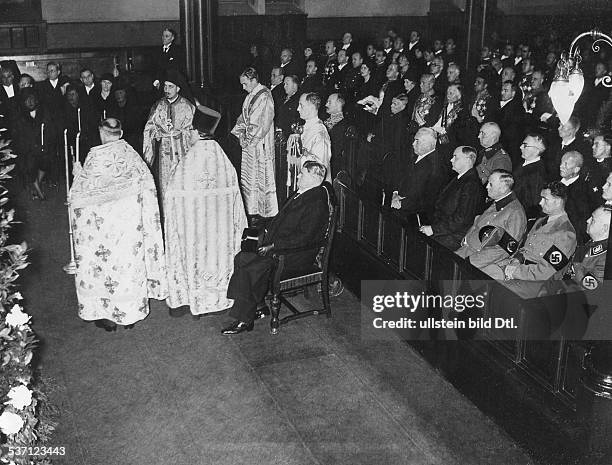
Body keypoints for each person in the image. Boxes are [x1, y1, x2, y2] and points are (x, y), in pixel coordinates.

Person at [69, 118, 167, 331]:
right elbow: (149, 188)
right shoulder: (132, 155)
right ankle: (130, 315)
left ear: (101, 132)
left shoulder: (94, 158)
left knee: (104, 271)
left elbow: (77, 198)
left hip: (101, 232)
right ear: (120, 134)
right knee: (127, 270)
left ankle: (107, 316)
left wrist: (78, 175)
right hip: (128, 231)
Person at [222, 161, 330, 335]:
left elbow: (304, 238)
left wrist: (273, 246)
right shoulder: (303, 193)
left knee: (250, 266)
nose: (298, 176)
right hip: (282, 246)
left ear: (313, 177)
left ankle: (244, 319)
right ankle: (258, 306)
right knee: (242, 258)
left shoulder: (316, 202)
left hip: (293, 255)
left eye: (302, 174)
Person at [164, 128, 248, 318]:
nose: (189, 135)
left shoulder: (188, 162)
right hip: (220, 231)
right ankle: (223, 299)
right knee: (219, 259)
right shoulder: (223, 161)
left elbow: (172, 196)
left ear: (199, 133)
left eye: (191, 131)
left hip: (195, 229)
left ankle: (192, 301)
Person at [481, 181, 577, 281]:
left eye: (545, 199)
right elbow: (525, 249)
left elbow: (545, 273)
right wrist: (517, 260)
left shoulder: (566, 234)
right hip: (519, 269)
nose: (540, 203)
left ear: (558, 202)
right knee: (482, 270)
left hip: (536, 282)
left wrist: (515, 271)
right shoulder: (540, 221)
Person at [231, 67, 278, 220]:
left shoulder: (264, 96)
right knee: (250, 177)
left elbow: (260, 124)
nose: (243, 87)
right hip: (249, 144)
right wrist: (239, 132)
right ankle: (252, 208)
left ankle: (263, 211)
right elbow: (243, 118)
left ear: (253, 80)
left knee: (260, 176)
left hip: (259, 143)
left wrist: (246, 138)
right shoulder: (251, 95)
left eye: (245, 83)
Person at [143, 69, 195, 207]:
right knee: (165, 185)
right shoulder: (159, 105)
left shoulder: (187, 106)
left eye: (170, 86)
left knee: (182, 183)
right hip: (164, 153)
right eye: (165, 86)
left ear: (178, 88)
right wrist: (157, 133)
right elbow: (149, 127)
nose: (166, 89)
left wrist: (179, 134)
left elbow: (191, 131)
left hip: (182, 152)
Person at [419, 146, 486, 250]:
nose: (451, 160)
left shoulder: (471, 184)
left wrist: (434, 229)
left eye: (455, 157)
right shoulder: (460, 178)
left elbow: (461, 219)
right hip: (443, 228)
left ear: (468, 160)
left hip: (454, 235)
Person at [456, 170, 527, 268]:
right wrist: (466, 239)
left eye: (491, 184)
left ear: (503, 189)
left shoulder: (516, 213)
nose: (487, 187)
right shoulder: (497, 202)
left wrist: (471, 261)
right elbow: (478, 224)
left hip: (482, 261)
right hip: (468, 249)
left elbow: (504, 250)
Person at [12, 88, 59, 200]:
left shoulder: (44, 112)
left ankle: (36, 185)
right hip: (28, 151)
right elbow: (19, 138)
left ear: (37, 100)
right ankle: (39, 192)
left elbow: (51, 131)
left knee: (45, 163)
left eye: (32, 99)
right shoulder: (19, 117)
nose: (30, 102)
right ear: (22, 102)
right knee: (30, 165)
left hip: (43, 148)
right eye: (27, 100)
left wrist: (46, 144)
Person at [298, 92, 332, 182]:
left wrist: (302, 154)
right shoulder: (305, 127)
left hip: (314, 187)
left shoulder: (320, 133)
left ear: (311, 107)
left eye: (301, 105)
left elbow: (320, 167)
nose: (298, 109)